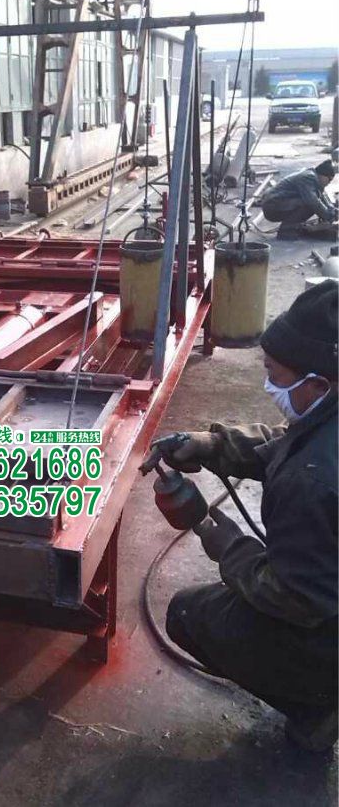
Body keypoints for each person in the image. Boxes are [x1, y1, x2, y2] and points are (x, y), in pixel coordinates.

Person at [162, 279, 338, 752]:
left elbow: (297, 598)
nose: (268, 384)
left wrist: (226, 544)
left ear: (318, 383)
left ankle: (318, 707)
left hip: (327, 622)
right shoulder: (328, 416)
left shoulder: (314, 480)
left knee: (186, 614)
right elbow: (290, 441)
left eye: (274, 373)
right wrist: (212, 445)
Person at [261, 159, 337, 225]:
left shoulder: (313, 176)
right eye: (329, 179)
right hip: (272, 206)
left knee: (313, 203)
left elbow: (322, 196)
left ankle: (292, 228)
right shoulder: (308, 178)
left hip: (276, 203)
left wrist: (332, 209)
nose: (329, 182)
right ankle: (288, 230)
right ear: (323, 175)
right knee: (310, 205)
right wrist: (328, 216)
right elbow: (313, 201)